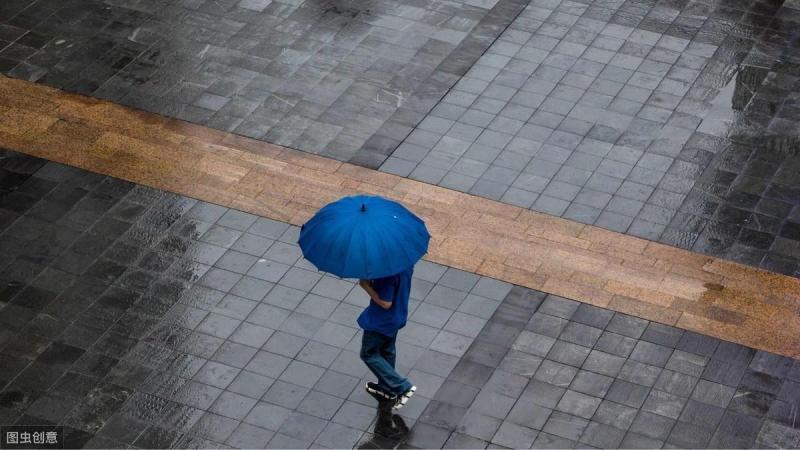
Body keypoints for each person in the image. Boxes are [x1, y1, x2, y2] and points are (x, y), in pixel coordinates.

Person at [357, 266, 416, 410]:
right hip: (396, 317)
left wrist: (366, 285)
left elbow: (385, 303)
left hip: (380, 322)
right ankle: (386, 389)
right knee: (387, 351)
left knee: (368, 354)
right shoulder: (406, 264)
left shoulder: (386, 275)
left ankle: (402, 387)